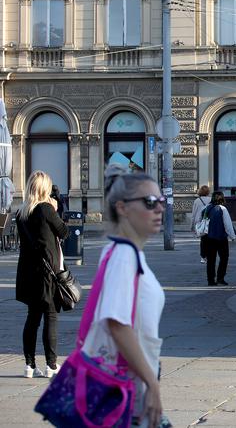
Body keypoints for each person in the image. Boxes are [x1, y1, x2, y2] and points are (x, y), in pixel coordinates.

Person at [82, 164, 167, 427]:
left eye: (161, 200)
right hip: (126, 390)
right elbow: (117, 324)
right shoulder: (124, 255)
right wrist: (152, 384)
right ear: (122, 208)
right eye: (150, 202)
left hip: (127, 387)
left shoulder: (118, 251)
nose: (160, 208)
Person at [16, 171, 68, 378]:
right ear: (45, 189)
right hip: (47, 273)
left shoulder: (21, 213)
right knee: (50, 316)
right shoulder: (46, 209)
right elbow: (63, 232)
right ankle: (51, 365)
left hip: (28, 272)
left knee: (32, 318)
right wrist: (56, 207)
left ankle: (29, 365)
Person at [204, 191, 236, 286]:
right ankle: (220, 278)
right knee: (224, 258)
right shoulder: (223, 209)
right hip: (221, 238)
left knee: (210, 260)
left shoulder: (207, 208)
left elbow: (200, 220)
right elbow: (227, 224)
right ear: (222, 199)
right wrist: (232, 236)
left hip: (208, 238)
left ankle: (210, 280)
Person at [190, 184, 211, 263]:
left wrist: (191, 226)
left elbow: (193, 214)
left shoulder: (197, 201)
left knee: (203, 240)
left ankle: (203, 257)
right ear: (208, 192)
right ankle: (209, 256)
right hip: (209, 222)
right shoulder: (211, 199)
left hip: (199, 222)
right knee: (210, 240)